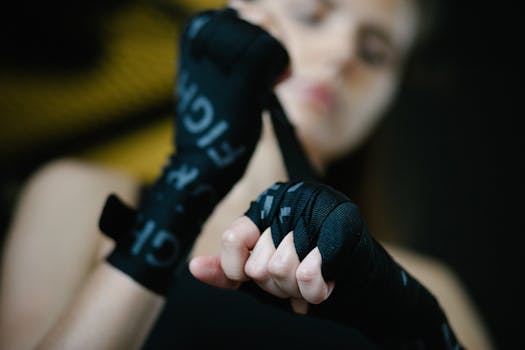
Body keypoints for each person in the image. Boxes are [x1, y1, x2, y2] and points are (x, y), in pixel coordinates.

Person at [0, 0, 493, 349]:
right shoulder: (76, 196)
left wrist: (414, 323)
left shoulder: (430, 286)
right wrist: (188, 183)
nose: (342, 55)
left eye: (375, 53)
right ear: (244, 14)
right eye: (311, 15)